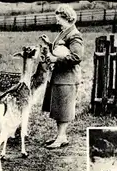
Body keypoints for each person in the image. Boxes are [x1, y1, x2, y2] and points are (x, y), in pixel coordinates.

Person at [42, 4, 84, 149]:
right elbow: (60, 49)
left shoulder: (74, 35)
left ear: (66, 18)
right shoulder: (64, 32)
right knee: (59, 108)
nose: (57, 21)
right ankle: (61, 136)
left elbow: (77, 57)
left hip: (68, 78)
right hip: (59, 76)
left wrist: (56, 60)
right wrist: (49, 43)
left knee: (64, 109)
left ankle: (61, 138)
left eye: (59, 19)